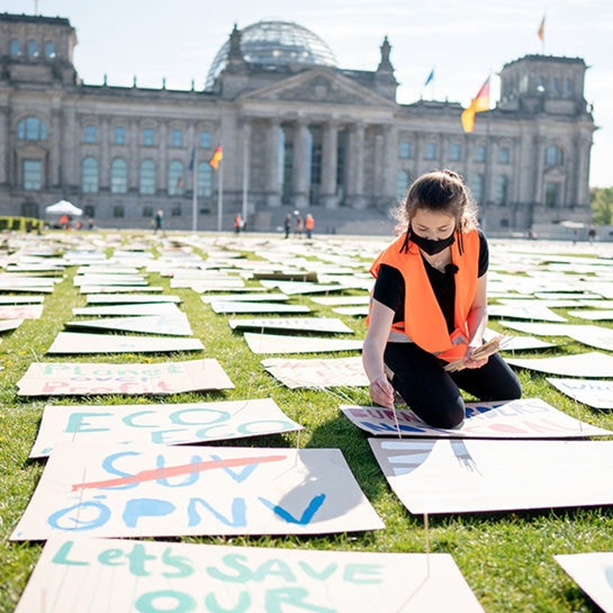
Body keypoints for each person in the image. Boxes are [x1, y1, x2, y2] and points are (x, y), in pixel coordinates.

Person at [362, 169, 521, 429]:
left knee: (508, 393)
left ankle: (436, 375)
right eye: (421, 228)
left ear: (460, 221)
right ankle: (397, 374)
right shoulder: (395, 263)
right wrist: (376, 376)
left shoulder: (475, 242)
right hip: (403, 345)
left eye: (443, 229)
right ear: (408, 218)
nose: (432, 238)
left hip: (449, 342)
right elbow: (373, 341)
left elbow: (479, 306)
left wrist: (474, 341)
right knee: (448, 415)